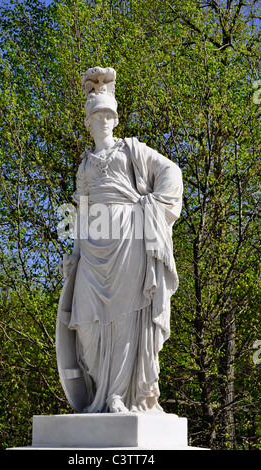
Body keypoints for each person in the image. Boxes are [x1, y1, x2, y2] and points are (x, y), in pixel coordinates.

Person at [58, 67, 183, 413]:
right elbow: (81, 215)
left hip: (128, 238)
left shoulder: (132, 151)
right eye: (97, 116)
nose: (103, 121)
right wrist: (75, 253)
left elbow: (172, 172)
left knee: (127, 316)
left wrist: (151, 209)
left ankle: (117, 395)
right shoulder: (84, 166)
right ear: (88, 122)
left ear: (115, 119)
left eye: (108, 115)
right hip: (95, 242)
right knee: (85, 322)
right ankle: (100, 389)